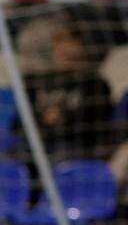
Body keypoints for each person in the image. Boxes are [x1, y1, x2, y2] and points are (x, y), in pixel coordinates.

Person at [25, 21, 113, 164]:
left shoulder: (95, 84)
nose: (66, 49)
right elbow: (18, 122)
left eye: (72, 43)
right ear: (54, 46)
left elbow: (93, 124)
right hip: (35, 145)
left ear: (82, 48)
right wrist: (43, 120)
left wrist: (61, 117)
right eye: (62, 42)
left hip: (74, 149)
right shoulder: (34, 81)